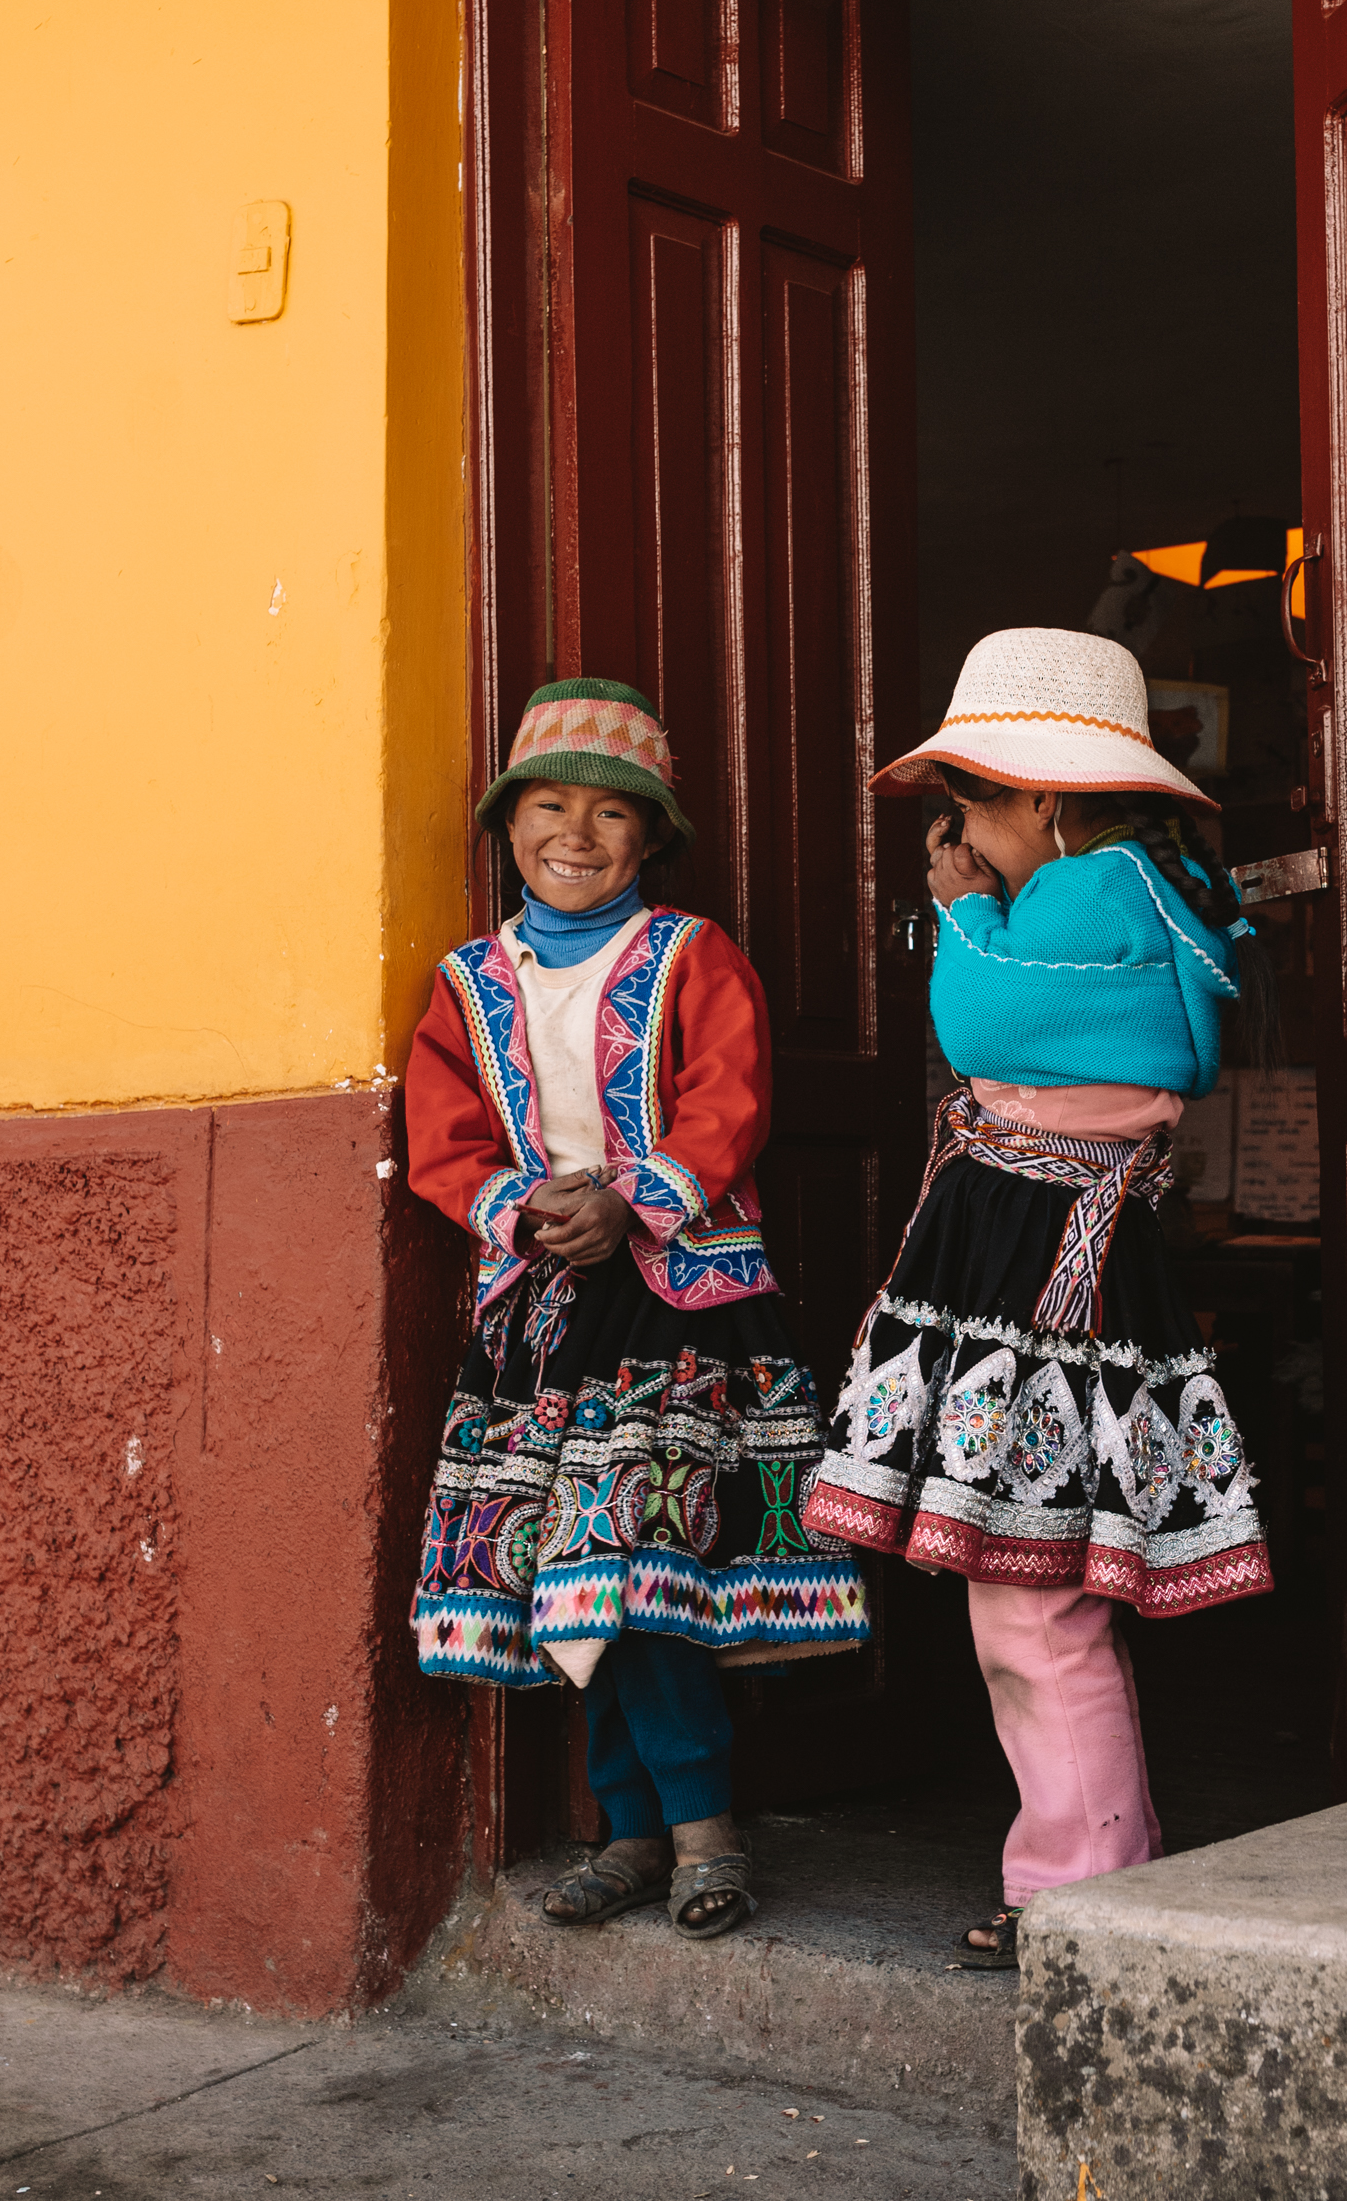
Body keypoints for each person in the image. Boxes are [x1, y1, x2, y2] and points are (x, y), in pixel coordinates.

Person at [802, 629, 1274, 1967]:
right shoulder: (1141, 885)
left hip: (1040, 1280)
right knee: (1036, 1587)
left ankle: (1082, 1894)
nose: (960, 843)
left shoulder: (1086, 896)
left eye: (973, 812)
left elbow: (985, 1027)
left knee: (1031, 1595)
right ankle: (1083, 1874)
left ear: (1045, 802)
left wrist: (960, 917)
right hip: (1049, 1259)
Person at [406, 676, 868, 1939]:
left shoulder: (692, 956)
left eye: (610, 816)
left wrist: (633, 1200)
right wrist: (518, 1208)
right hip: (539, 1312)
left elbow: (729, 1101)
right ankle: (631, 1829)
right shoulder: (465, 982)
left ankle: (698, 1827)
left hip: (676, 1301)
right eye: (547, 806)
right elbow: (443, 1135)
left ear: (650, 839)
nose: (575, 834)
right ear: (507, 827)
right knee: (575, 1574)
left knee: (642, 1567)